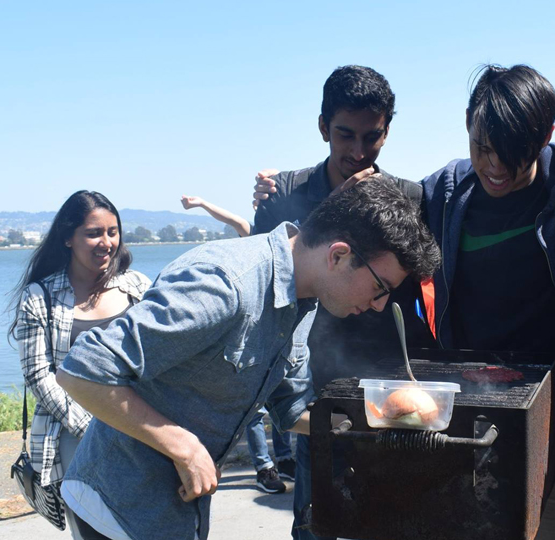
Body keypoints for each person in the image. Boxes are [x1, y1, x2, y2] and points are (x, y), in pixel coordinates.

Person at [55, 180, 440, 540]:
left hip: (172, 514)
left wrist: (377, 421)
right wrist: (183, 446)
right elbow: (83, 369)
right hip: (114, 506)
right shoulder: (225, 285)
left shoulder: (304, 302)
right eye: (379, 288)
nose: (379, 306)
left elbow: (290, 408)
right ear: (338, 256)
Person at [420, 64, 555, 540]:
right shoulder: (445, 194)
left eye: (514, 154)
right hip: (476, 405)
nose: (494, 167)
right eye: (482, 148)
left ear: (547, 135)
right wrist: (284, 189)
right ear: (469, 121)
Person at [250, 64, 426, 540]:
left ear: (388, 131)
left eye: (373, 137)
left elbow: (426, 292)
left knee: (394, 523)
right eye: (345, 134)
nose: (358, 151)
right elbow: (262, 285)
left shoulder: (408, 197)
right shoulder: (284, 193)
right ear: (323, 126)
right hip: (313, 396)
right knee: (316, 525)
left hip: (389, 391)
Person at [11, 190, 150, 538]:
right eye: (94, 233)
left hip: (143, 431)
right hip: (76, 438)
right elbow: (39, 375)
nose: (106, 242)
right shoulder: (38, 298)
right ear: (68, 238)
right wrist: (93, 428)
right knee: (94, 532)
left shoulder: (138, 288)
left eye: (113, 232)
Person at [180, 194, 295, 493]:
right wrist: (202, 204)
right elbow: (231, 219)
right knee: (254, 410)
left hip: (282, 332)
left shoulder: (293, 247)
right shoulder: (256, 238)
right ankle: (264, 467)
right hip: (254, 334)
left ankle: (284, 458)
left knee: (284, 398)